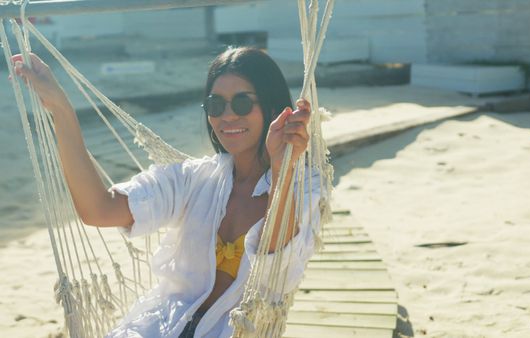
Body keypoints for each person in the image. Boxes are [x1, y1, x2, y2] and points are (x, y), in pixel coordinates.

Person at [11, 47, 323, 337]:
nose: (227, 116)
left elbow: (277, 268)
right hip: (163, 324)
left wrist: (283, 169)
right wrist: (60, 108)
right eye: (216, 105)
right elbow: (99, 210)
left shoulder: (304, 187)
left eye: (242, 103)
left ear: (271, 108)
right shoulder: (193, 179)